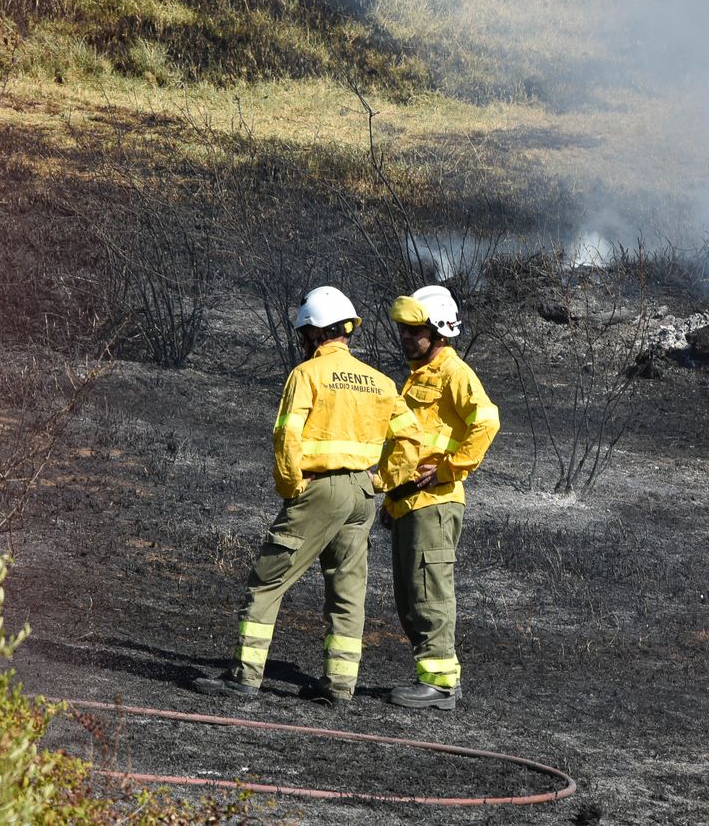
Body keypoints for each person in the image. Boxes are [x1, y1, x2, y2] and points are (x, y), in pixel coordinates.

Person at [193, 286, 415, 707]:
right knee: (348, 591)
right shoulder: (382, 383)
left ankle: (244, 678)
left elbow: (286, 435)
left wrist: (292, 486)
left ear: (314, 333)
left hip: (320, 488)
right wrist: (382, 480)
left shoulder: (306, 375)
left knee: (267, 580)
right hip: (362, 495)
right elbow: (413, 439)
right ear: (345, 330)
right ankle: (339, 686)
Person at [379, 285, 500, 710]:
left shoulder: (454, 372)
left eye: (416, 330)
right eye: (405, 329)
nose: (407, 337)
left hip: (437, 501)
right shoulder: (417, 377)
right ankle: (432, 677)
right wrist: (391, 498)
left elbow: (486, 422)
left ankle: (441, 686)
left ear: (439, 332)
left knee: (430, 591)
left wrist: (450, 468)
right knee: (411, 594)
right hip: (410, 501)